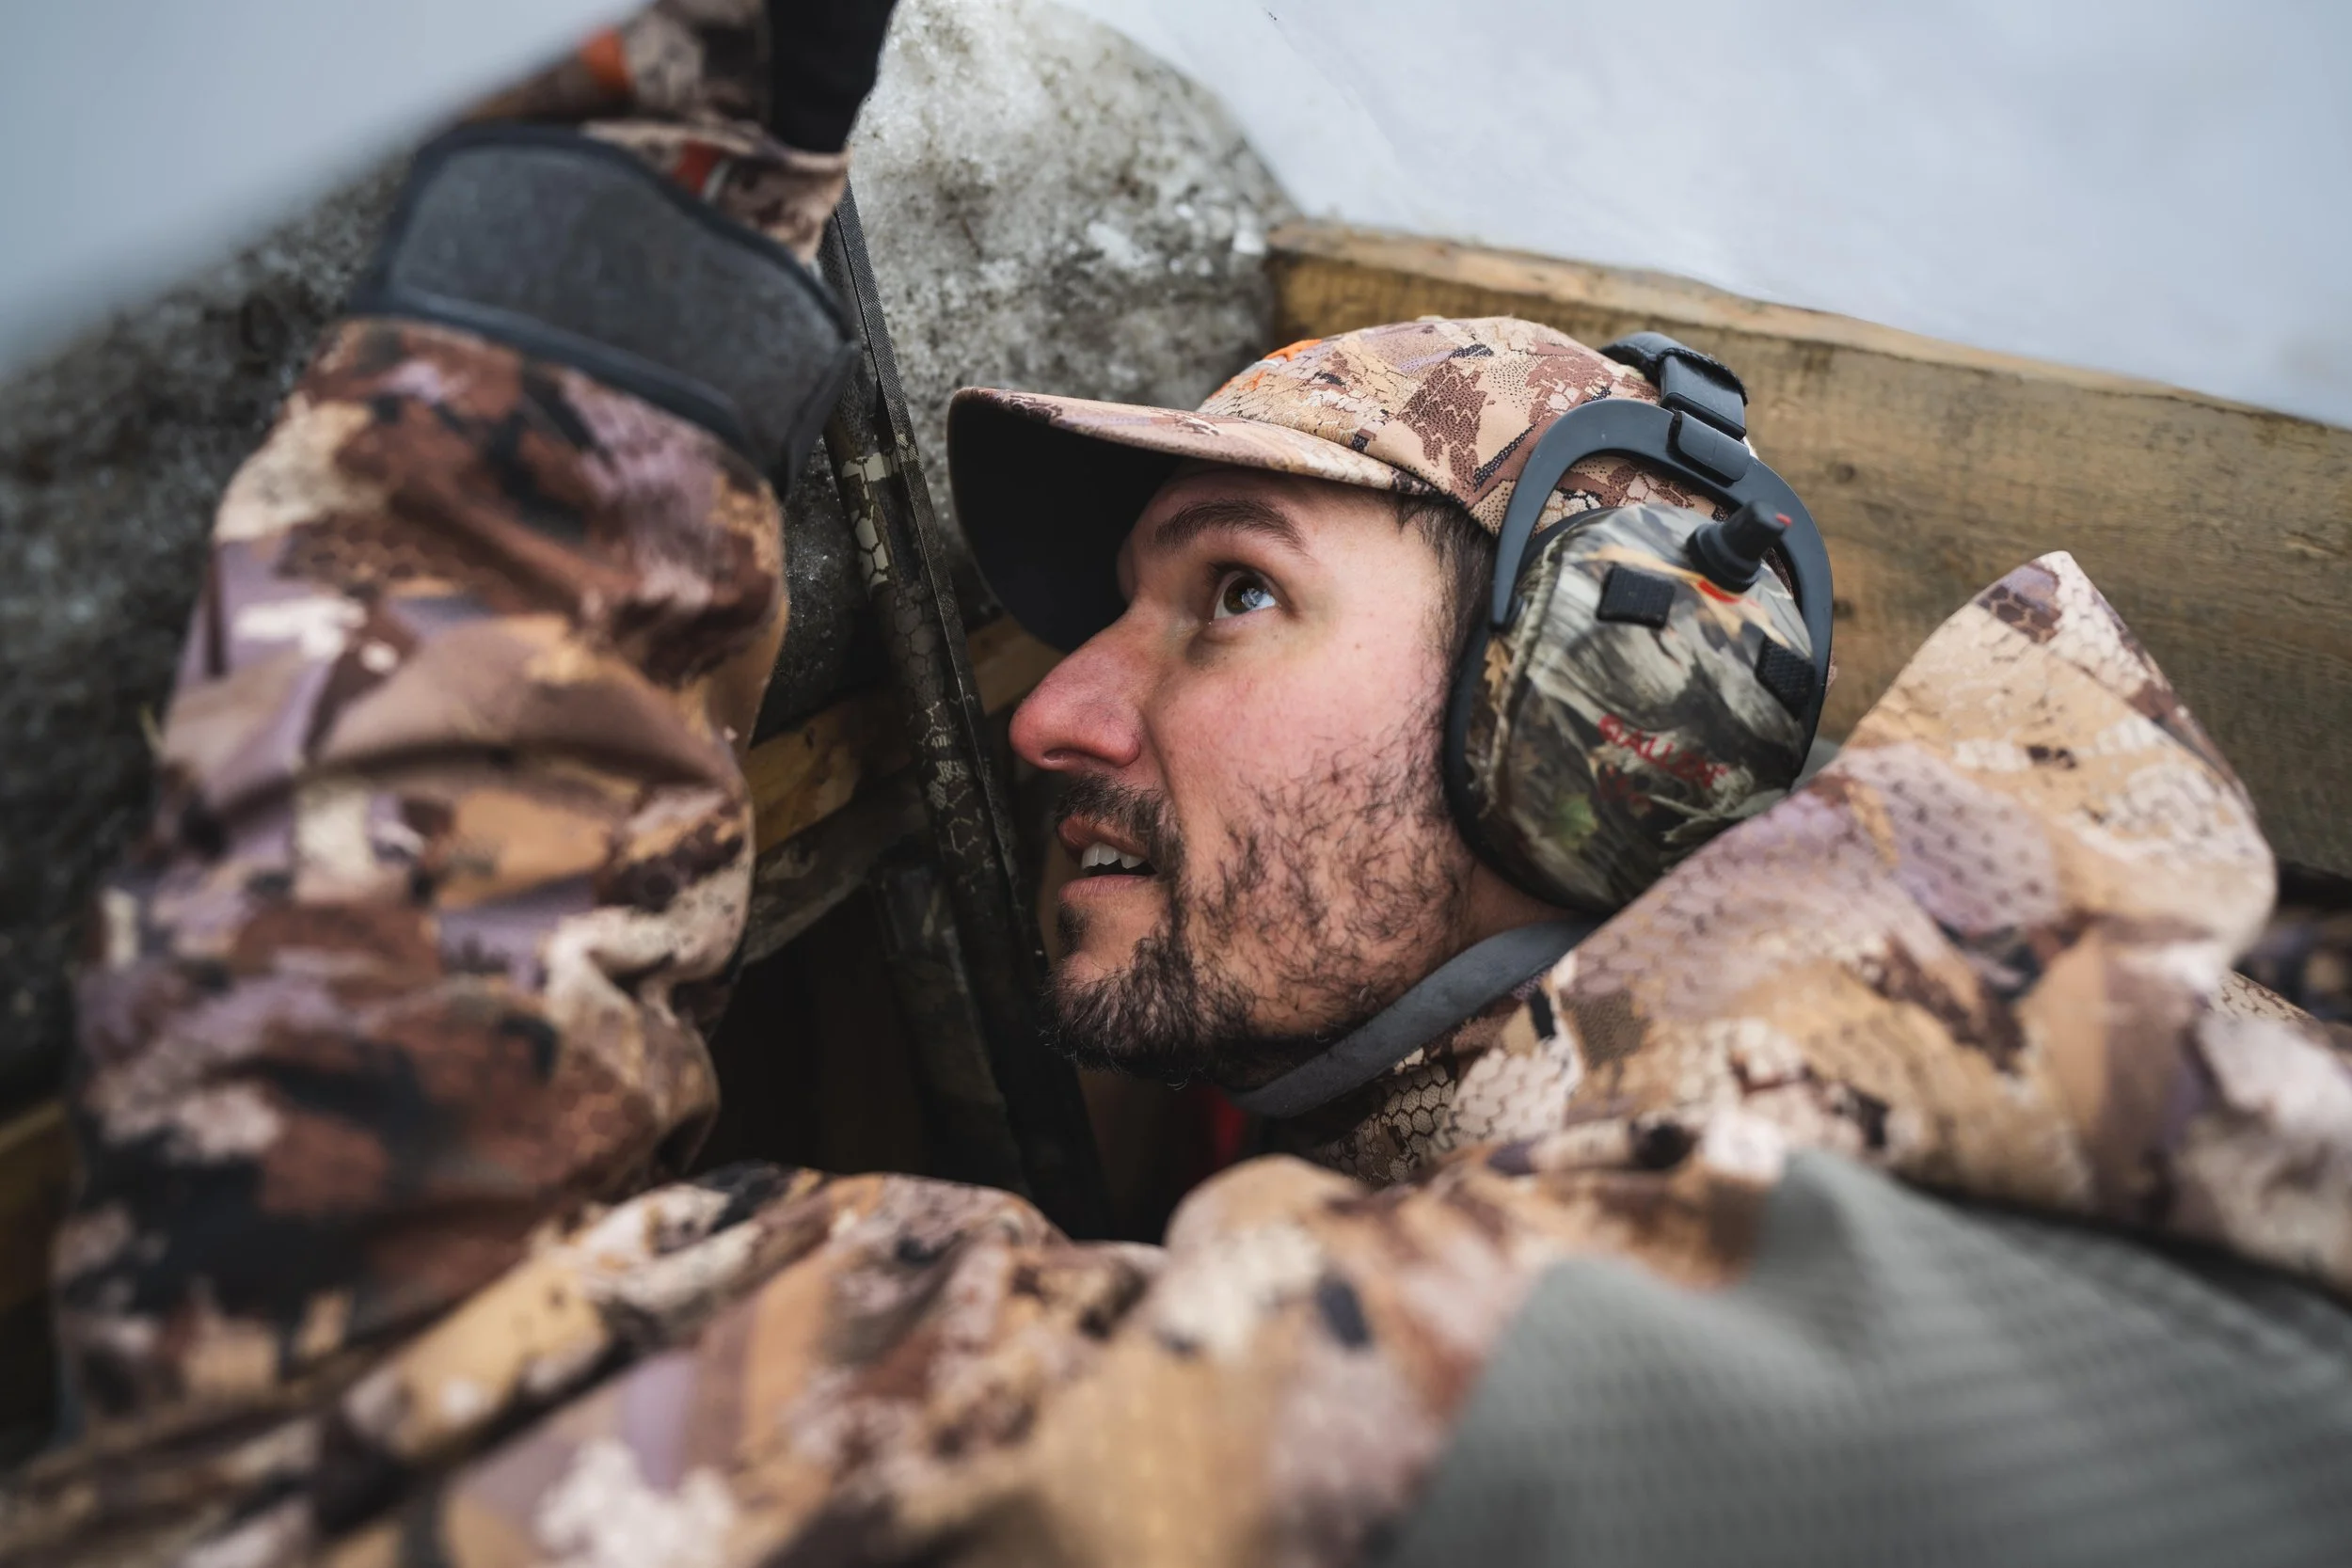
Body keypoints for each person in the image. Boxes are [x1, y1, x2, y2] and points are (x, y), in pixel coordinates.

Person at [7, 4, 2350, 1565]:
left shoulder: (1620, 1347)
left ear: (1602, 690)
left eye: (1227, 593)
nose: (1046, 717)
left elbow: (326, 1412)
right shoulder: (2054, 1068)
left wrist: (624, 239)